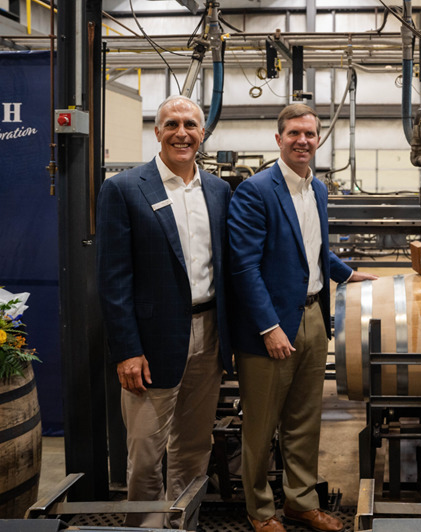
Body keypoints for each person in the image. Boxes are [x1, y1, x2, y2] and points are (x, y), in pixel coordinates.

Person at [228, 103, 377, 532]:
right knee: (261, 424)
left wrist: (347, 273)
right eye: (294, 133)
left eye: (310, 134)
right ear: (279, 139)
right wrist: (268, 326)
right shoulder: (255, 191)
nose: (303, 141)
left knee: (304, 419)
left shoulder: (318, 189)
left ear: (318, 139)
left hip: (313, 316)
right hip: (270, 327)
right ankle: (260, 510)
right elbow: (244, 267)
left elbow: (312, 250)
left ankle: (300, 501)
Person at [96, 94, 233, 528]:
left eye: (190, 125)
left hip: (208, 332)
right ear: (156, 133)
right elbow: (113, 279)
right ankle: (146, 527)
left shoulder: (218, 190)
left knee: (194, 447)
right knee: (146, 452)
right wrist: (127, 350)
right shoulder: (124, 188)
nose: (182, 133)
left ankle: (183, 523)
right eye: (171, 124)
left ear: (202, 133)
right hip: (151, 344)